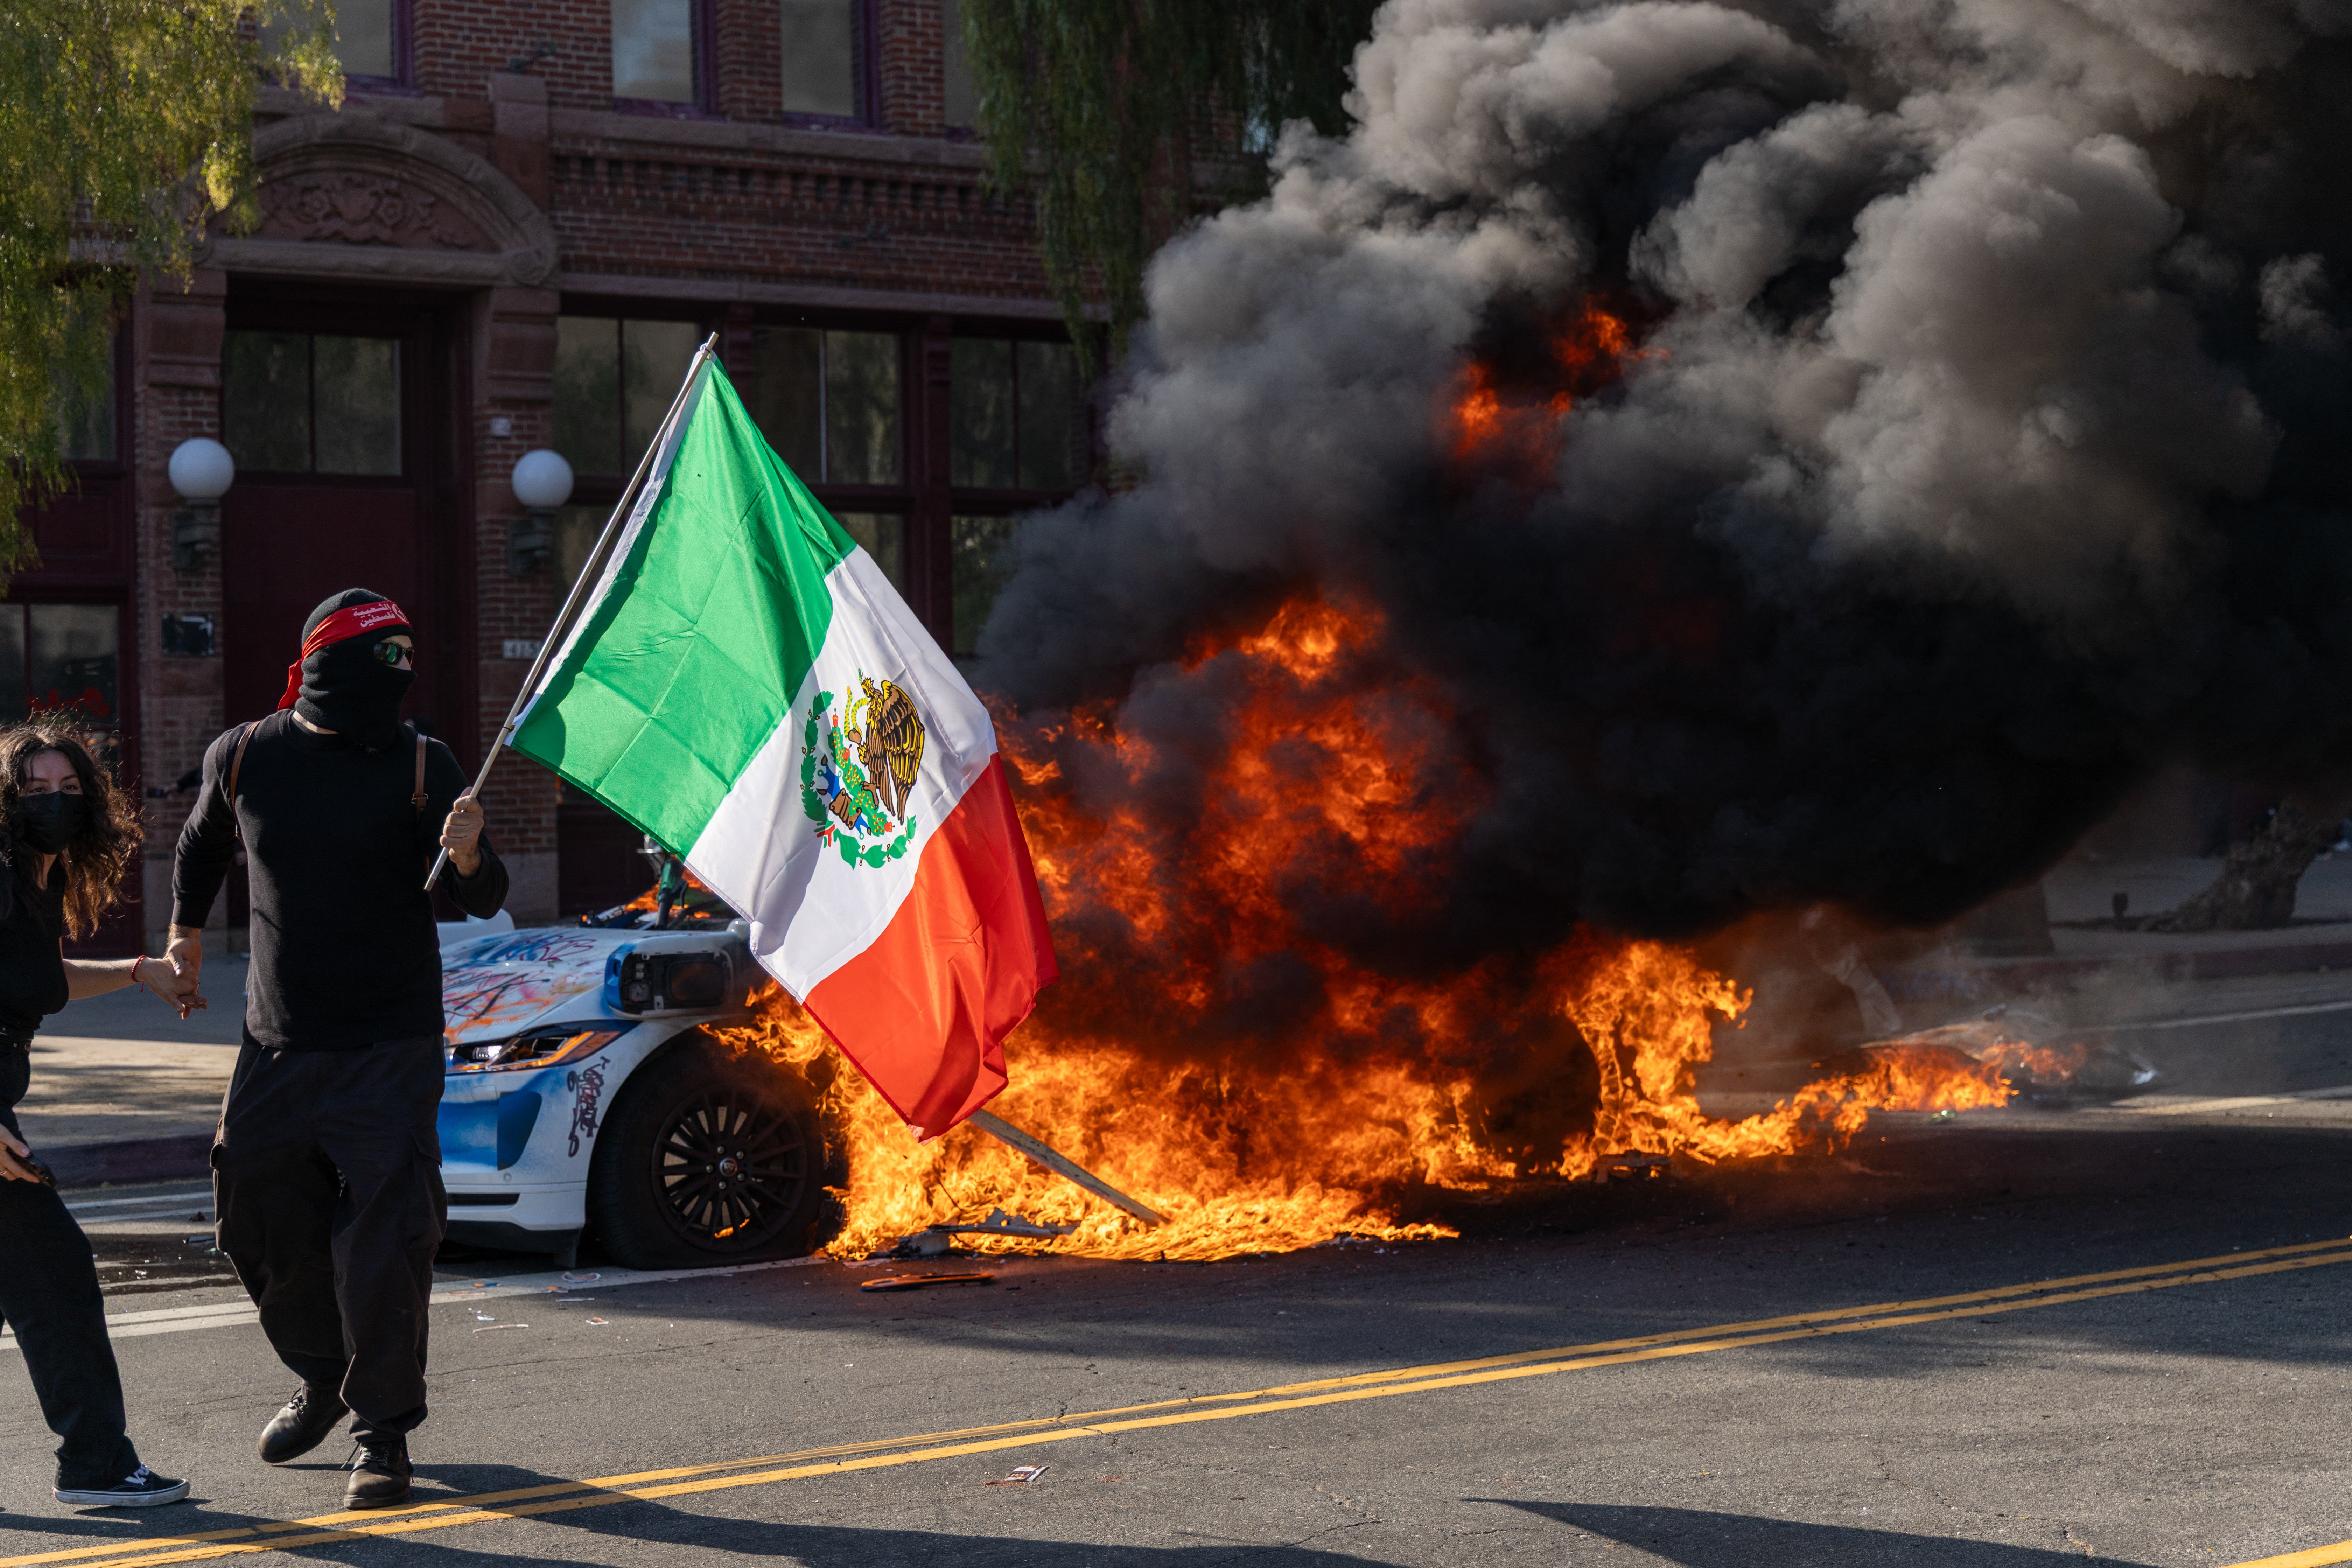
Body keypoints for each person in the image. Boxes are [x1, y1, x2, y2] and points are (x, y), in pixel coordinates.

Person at [168, 589, 509, 1510]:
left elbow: (482, 894)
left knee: (386, 1240)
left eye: (404, 659)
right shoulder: (246, 755)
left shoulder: (421, 762)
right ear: (323, 661)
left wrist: (471, 855)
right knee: (252, 1213)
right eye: (375, 658)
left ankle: (382, 1435)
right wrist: (184, 936)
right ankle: (322, 1371)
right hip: (277, 1041)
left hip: (390, 1042)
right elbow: (202, 843)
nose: (391, 679)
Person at [0, 723, 197, 1508]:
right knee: (58, 1284)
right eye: (36, 790)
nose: (55, 803)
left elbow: (35, 978)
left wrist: (137, 971)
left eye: (70, 789)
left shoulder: (34, 879)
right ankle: (95, 1465)